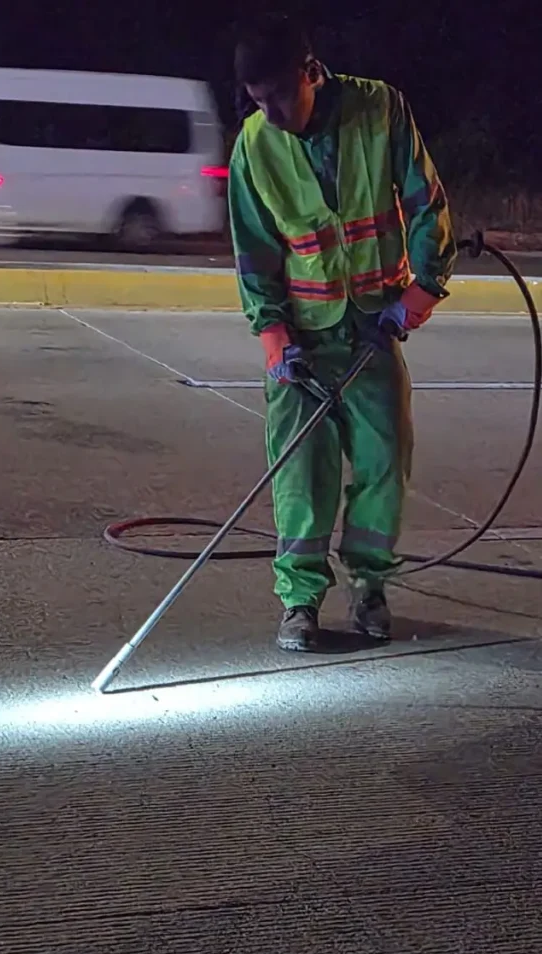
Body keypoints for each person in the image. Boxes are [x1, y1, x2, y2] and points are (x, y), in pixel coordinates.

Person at [228, 14, 457, 652]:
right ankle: (299, 600)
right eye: (257, 102)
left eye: (278, 96)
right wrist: (272, 333)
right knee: (301, 470)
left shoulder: (379, 110)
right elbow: (254, 250)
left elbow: (425, 202)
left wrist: (422, 289)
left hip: (372, 328)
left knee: (384, 460)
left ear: (311, 72)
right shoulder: (254, 145)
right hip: (303, 339)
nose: (270, 113)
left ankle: (370, 585)